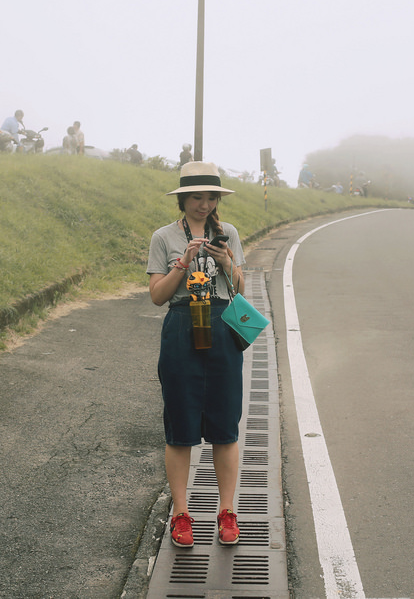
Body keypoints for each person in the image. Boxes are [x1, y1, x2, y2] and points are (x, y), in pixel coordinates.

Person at [146, 161, 246, 548]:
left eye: (211, 197)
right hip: (182, 325)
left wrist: (227, 263)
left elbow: (239, 286)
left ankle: (227, 511)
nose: (204, 205)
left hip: (222, 324)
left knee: (225, 425)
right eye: (196, 197)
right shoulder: (164, 237)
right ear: (183, 199)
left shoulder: (229, 233)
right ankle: (182, 514)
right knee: (180, 424)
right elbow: (157, 296)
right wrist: (184, 262)